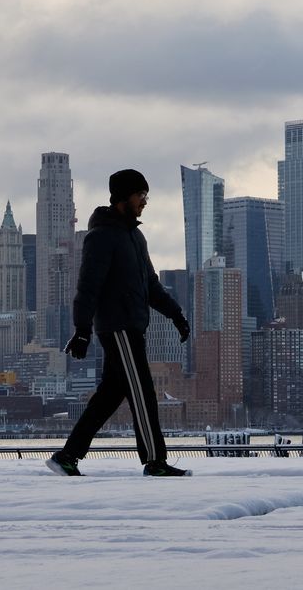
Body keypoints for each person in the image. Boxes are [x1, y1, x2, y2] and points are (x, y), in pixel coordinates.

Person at [46, 168, 192, 477]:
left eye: (146, 196)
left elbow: (151, 285)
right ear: (124, 197)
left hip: (134, 326)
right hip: (119, 327)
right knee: (143, 391)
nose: (145, 202)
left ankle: (68, 455)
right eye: (141, 195)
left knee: (110, 394)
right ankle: (155, 461)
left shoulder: (135, 237)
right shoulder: (102, 237)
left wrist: (176, 314)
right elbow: (88, 287)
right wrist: (82, 330)